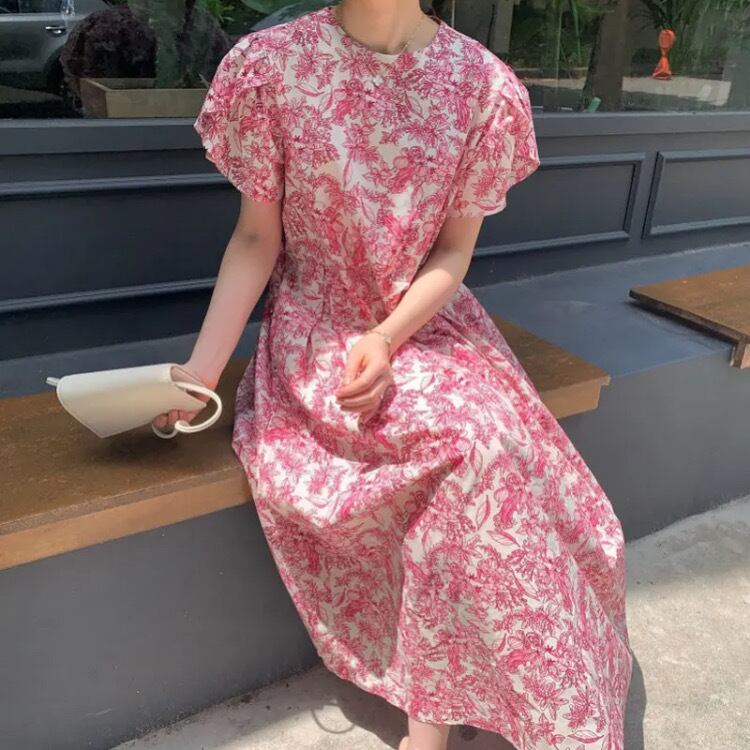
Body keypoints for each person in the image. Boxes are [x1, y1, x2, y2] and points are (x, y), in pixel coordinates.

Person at [153, 2, 633, 749]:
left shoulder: (482, 84)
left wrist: (387, 335)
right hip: (318, 337)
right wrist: (202, 374)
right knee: (461, 449)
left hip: (423, 328)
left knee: (490, 448)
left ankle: (546, 718)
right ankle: (443, 724)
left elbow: (453, 252)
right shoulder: (271, 67)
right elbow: (255, 239)